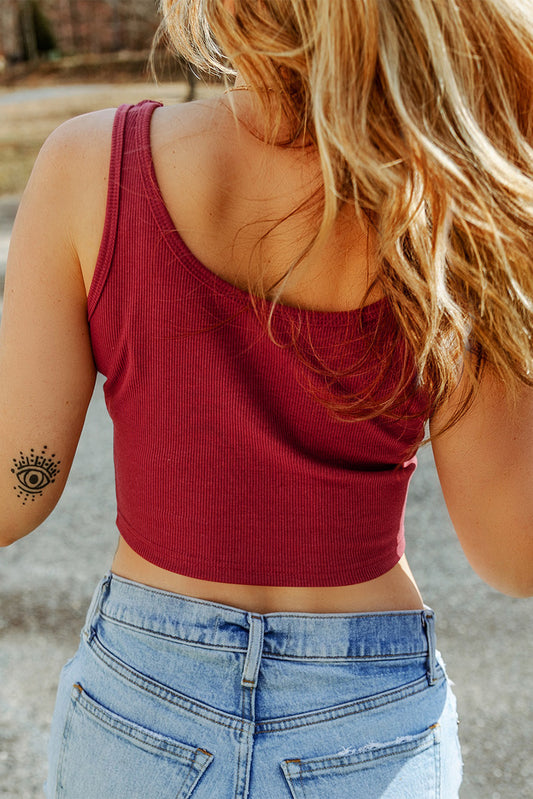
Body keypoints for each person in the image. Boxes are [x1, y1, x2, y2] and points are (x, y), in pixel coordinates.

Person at [1, 0, 532, 796]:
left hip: (144, 697)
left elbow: (15, 487)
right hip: (366, 712)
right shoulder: (454, 201)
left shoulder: (89, 163)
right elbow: (510, 551)